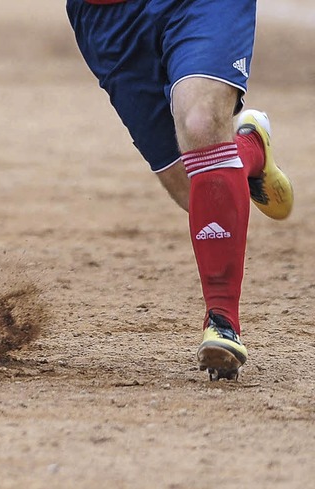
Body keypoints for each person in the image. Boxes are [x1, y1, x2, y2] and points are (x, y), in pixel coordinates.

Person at [66, 0, 293, 380]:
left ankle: (222, 321)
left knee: (202, 125)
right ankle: (249, 148)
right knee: (198, 191)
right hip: (107, 17)